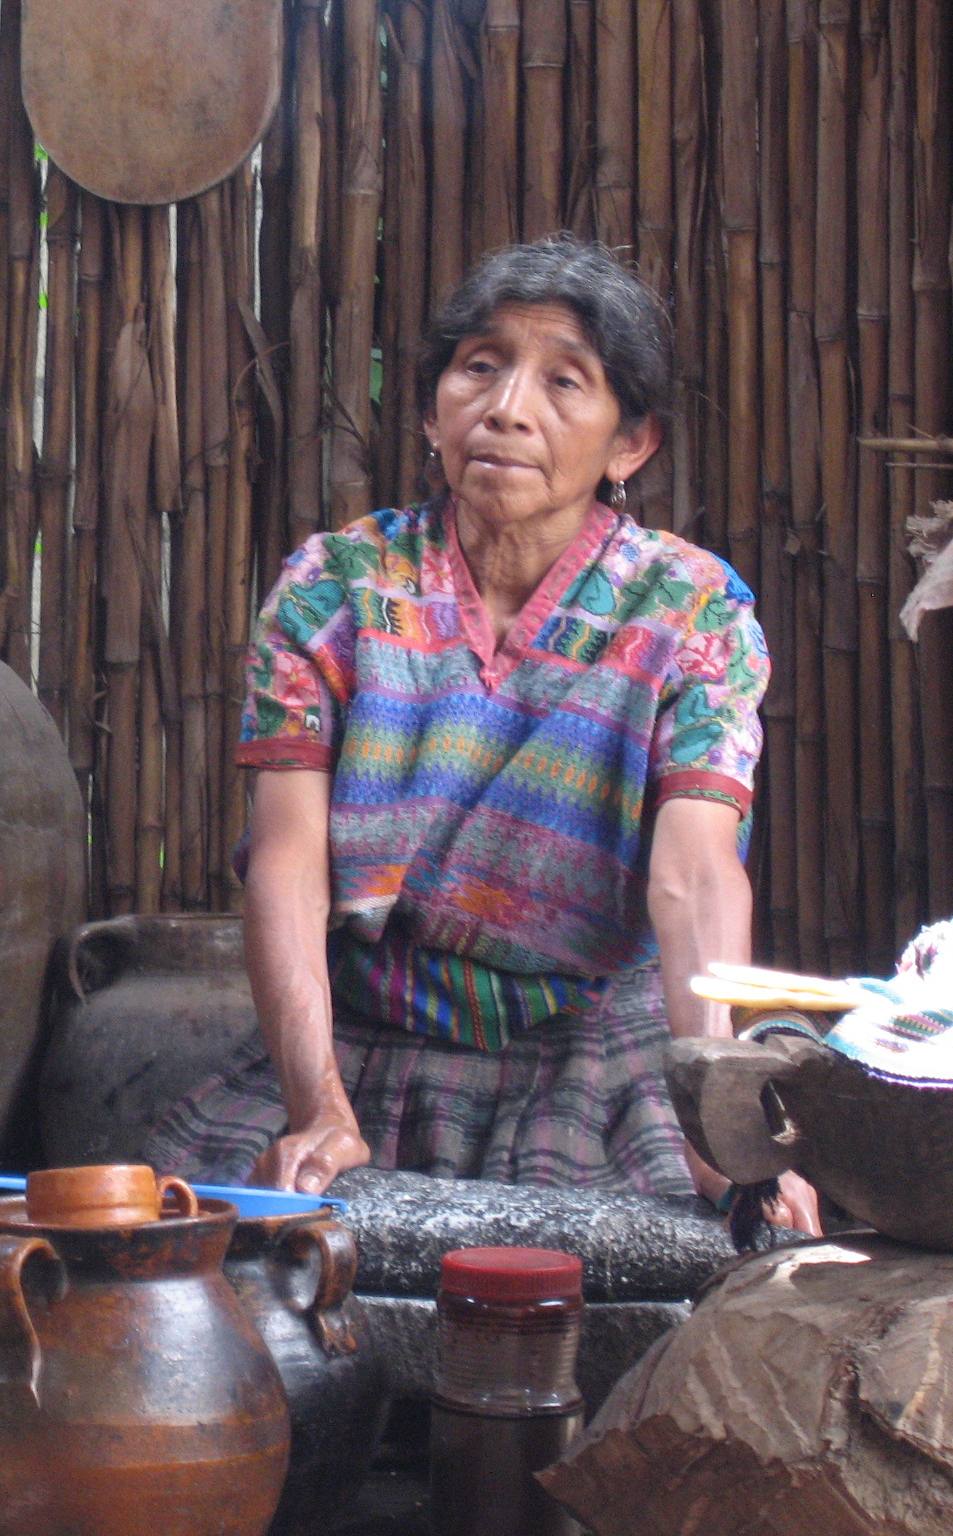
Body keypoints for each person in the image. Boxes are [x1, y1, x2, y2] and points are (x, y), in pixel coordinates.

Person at [146, 235, 821, 1234]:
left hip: (594, 1051)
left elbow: (692, 876)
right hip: (372, 1038)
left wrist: (715, 1123)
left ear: (628, 443)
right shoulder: (336, 586)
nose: (506, 407)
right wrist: (315, 1108)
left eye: (564, 380)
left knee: (642, 1291)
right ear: (430, 412)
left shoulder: (689, 609)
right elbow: (285, 862)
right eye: (478, 367)